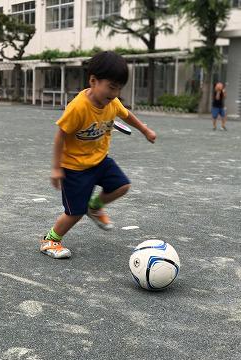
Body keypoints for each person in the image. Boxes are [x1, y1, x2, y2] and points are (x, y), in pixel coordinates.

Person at [40, 51, 157, 259]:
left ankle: (94, 206)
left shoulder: (111, 102)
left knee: (122, 186)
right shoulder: (78, 107)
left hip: (100, 161)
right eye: (111, 87)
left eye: (119, 88)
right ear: (93, 81)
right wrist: (56, 168)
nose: (115, 93)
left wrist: (144, 130)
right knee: (74, 213)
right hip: (74, 168)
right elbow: (60, 137)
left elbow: (126, 114)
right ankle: (51, 240)